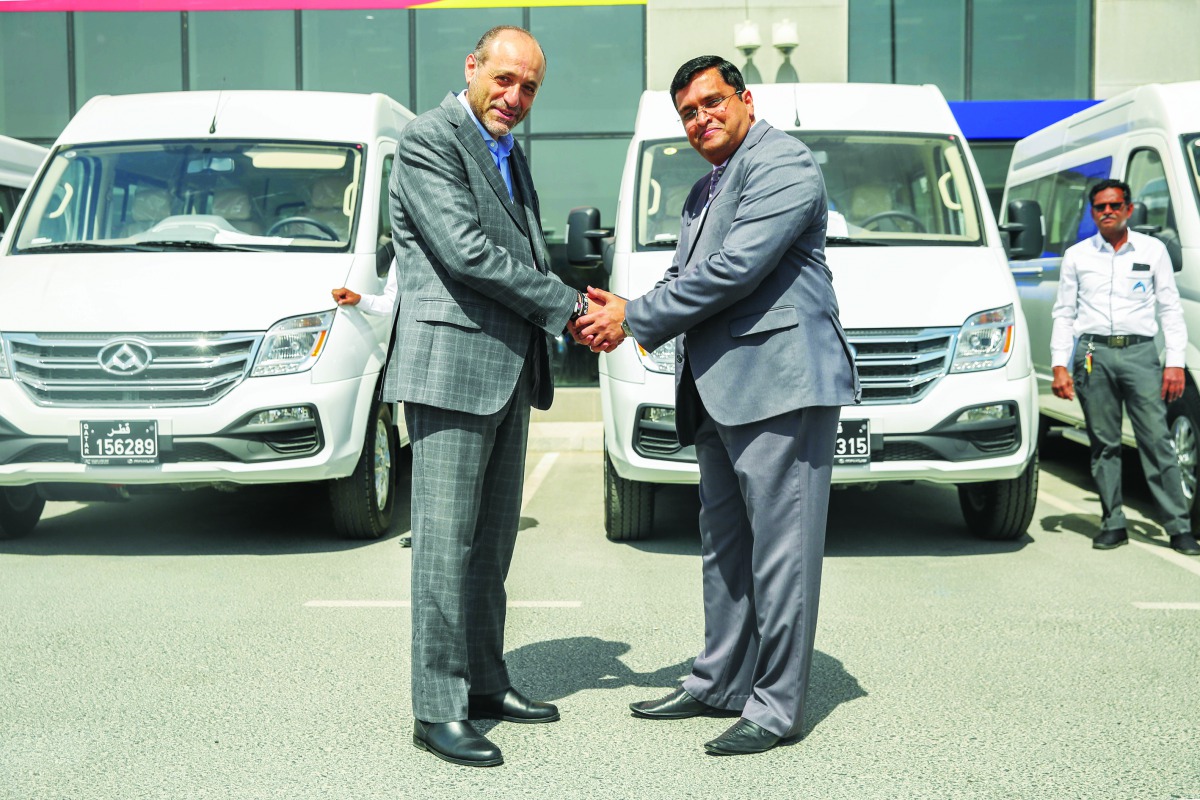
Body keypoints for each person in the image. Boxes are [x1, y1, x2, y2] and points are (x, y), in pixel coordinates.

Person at [574, 55, 860, 755]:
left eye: (711, 102)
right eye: (688, 113)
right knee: (725, 547)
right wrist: (624, 308)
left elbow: (737, 269)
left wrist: (634, 318)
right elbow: (686, 274)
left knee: (782, 555)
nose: (700, 119)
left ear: (745, 99)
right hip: (721, 388)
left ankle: (776, 708)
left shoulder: (782, 162)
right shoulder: (706, 187)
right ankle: (720, 682)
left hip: (781, 384)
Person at [385, 26, 588, 768]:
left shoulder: (506, 150)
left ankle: (484, 682)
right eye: (503, 79)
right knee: (444, 549)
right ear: (471, 67)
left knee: (492, 545)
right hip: (449, 370)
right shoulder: (428, 139)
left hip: (506, 369)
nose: (515, 96)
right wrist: (569, 306)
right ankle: (437, 708)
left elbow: (524, 248)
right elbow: (467, 253)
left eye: (529, 86)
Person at [1050, 179, 1200, 556]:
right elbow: (1064, 313)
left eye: (1115, 205)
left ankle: (1179, 527)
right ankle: (1113, 522)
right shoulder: (1077, 256)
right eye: (1100, 207)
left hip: (1140, 355)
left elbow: (1170, 309)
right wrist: (1059, 365)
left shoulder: (1152, 250)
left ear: (1129, 209)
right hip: (1093, 355)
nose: (1108, 212)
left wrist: (1175, 363)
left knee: (1157, 440)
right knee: (1104, 444)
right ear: (1092, 213)